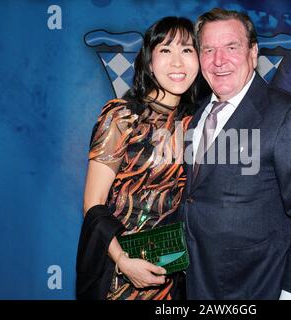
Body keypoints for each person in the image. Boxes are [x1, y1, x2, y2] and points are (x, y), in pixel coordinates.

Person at [176, 8, 291, 299]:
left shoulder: (288, 115)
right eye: (208, 49)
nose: (218, 60)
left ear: (253, 52)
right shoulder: (197, 117)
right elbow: (196, 199)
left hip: (260, 287)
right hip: (200, 285)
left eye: (231, 47)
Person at [76, 16, 199, 300]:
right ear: (149, 61)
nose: (177, 63)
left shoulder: (200, 122)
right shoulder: (122, 116)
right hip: (121, 271)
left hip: (176, 276)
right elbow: (92, 203)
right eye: (166, 50)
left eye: (187, 50)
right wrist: (122, 260)